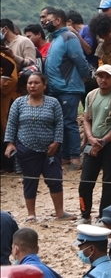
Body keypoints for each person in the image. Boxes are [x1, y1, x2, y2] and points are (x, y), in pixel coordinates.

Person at [3, 72, 70, 221]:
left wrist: (56, 143)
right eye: (29, 83)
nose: (32, 86)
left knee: (55, 179)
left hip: (50, 150)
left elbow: (59, 124)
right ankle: (31, 214)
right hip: (26, 149)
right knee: (30, 181)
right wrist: (10, 143)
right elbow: (12, 124)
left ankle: (60, 212)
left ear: (44, 86)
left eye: (36, 83)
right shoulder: (18, 103)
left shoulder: (53, 103)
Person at [77, 65, 111, 224]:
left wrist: (102, 141)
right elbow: (86, 119)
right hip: (93, 142)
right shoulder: (91, 95)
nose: (103, 80)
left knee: (109, 183)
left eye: (107, 77)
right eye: (100, 76)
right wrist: (91, 138)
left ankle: (104, 216)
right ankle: (85, 214)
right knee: (85, 182)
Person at [39, 8, 90, 166]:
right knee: (60, 124)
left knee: (69, 122)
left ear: (58, 20)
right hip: (56, 89)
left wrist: (83, 75)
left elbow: (80, 60)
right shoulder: (54, 39)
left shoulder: (68, 37)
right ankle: (65, 156)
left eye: (48, 19)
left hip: (68, 88)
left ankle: (75, 157)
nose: (45, 22)